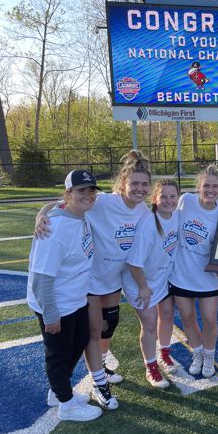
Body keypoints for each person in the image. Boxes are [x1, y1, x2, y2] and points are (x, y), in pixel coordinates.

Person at [36, 150, 151, 410]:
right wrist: (40, 215)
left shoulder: (142, 209)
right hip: (89, 279)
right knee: (94, 330)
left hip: (112, 277)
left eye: (144, 184)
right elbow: (62, 203)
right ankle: (98, 383)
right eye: (134, 183)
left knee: (109, 325)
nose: (140, 189)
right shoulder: (104, 202)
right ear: (123, 183)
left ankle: (101, 366)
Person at [27, 169, 103, 421]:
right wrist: (51, 315)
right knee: (59, 354)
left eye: (91, 190)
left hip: (75, 297)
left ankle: (57, 392)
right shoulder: (55, 229)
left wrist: (42, 211)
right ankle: (67, 405)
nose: (88, 195)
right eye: (81, 191)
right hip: (55, 302)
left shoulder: (78, 214)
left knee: (79, 341)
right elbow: (42, 278)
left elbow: (54, 205)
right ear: (69, 193)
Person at [122, 179, 180, 389]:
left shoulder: (176, 215)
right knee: (148, 325)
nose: (169, 200)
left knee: (167, 315)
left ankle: (164, 354)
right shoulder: (148, 225)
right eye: (163, 196)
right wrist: (144, 287)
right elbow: (133, 263)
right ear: (155, 199)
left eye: (173, 196)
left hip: (161, 279)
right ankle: (151, 367)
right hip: (140, 282)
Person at [168, 165, 218, 378]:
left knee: (210, 319)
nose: (210, 190)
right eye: (206, 185)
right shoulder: (186, 201)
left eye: (215, 186)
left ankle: (209, 356)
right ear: (198, 187)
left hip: (207, 276)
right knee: (188, 318)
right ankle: (197, 354)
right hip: (181, 274)